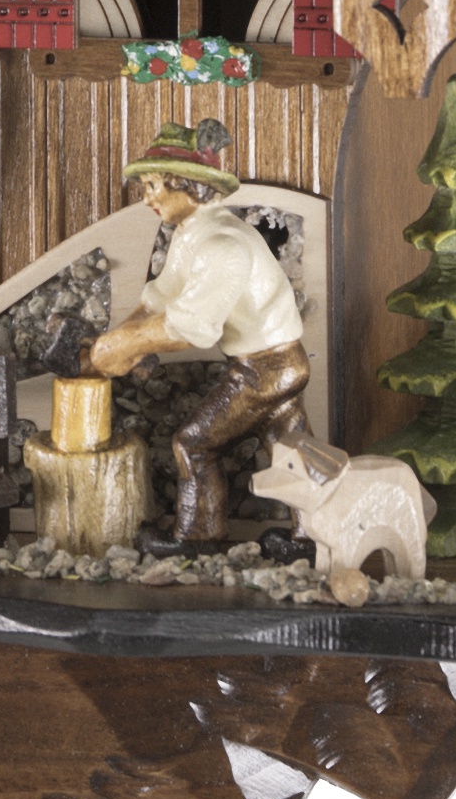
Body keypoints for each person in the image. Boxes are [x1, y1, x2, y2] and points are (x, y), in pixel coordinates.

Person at [88, 117, 312, 548]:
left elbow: (192, 328)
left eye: (154, 186)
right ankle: (312, 538)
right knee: (291, 451)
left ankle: (198, 537)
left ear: (188, 186)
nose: (147, 198)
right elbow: (161, 297)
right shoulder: (193, 233)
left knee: (193, 443)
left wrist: (122, 345)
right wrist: (120, 341)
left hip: (265, 368)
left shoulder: (221, 246)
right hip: (279, 362)